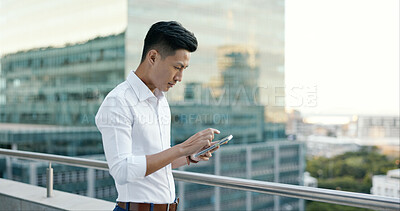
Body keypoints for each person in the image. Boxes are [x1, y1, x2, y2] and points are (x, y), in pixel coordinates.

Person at [95, 21, 220, 211]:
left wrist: (188, 156)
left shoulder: (161, 101)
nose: (180, 78)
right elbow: (122, 170)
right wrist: (182, 148)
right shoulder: (118, 102)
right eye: (177, 67)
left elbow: (157, 161)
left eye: (184, 69)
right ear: (152, 57)